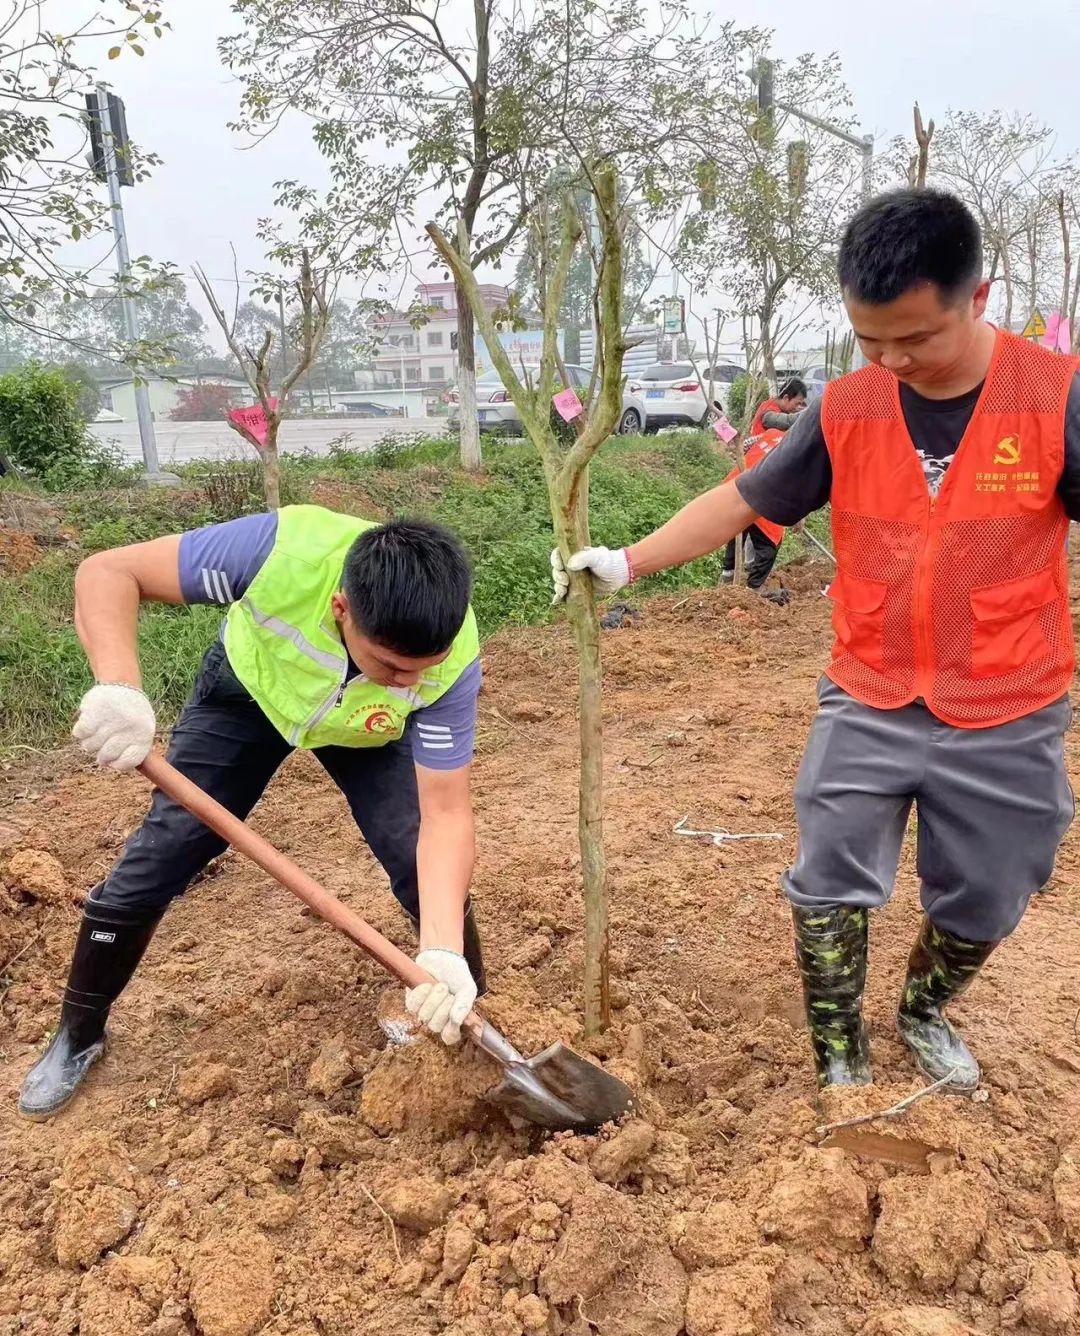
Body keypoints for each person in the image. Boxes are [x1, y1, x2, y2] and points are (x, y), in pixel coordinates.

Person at [554, 188, 1080, 1094]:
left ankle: (924, 1007)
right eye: (870, 339)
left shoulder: (1054, 399)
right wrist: (627, 562)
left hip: (1008, 698)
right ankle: (839, 1052)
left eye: (916, 337)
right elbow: (747, 499)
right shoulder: (847, 405)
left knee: (994, 890)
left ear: (979, 298)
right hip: (869, 686)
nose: (893, 359)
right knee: (828, 880)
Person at [19, 506, 486, 1119]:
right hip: (249, 698)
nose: (407, 683)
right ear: (342, 609)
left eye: (419, 671)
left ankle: (463, 998)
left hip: (365, 730)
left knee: (413, 852)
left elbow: (446, 814)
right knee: (165, 852)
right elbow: (110, 572)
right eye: (393, 666)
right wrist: (119, 686)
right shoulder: (280, 551)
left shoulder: (446, 661)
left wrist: (444, 948)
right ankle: (78, 1034)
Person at [720, 429, 790, 601]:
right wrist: (799, 516)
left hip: (733, 487)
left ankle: (727, 574)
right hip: (761, 495)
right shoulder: (800, 450)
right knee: (771, 543)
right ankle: (754, 589)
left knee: (738, 530)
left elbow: (739, 448)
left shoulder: (771, 433)